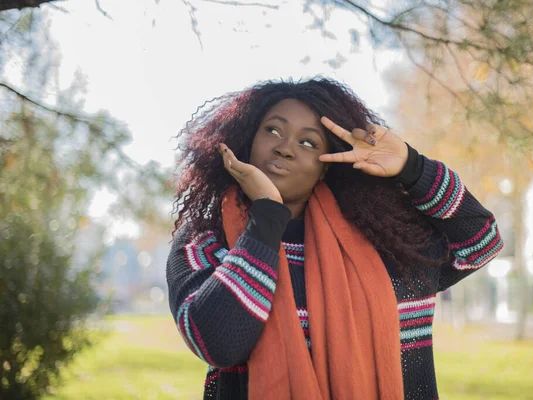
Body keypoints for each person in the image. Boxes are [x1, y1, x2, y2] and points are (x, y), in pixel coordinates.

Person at [166, 77, 503, 400]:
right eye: (273, 130)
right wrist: (268, 214)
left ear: (325, 166)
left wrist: (412, 168)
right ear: (247, 140)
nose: (285, 148)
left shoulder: (385, 245)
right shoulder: (205, 242)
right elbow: (217, 343)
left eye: (308, 142)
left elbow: (481, 242)